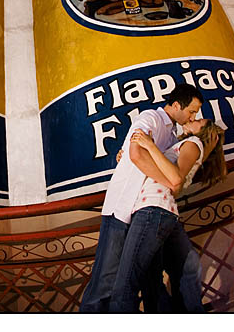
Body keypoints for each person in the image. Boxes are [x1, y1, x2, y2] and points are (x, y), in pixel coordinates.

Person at [79, 83, 203, 312]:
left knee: (142, 279)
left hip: (142, 212)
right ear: (176, 105)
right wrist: (170, 181)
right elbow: (136, 153)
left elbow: (137, 155)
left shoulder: (174, 134)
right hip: (122, 206)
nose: (193, 116)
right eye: (191, 111)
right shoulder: (152, 118)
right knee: (105, 282)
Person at [109, 118, 227, 313]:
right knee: (175, 270)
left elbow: (176, 177)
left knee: (138, 280)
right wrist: (130, 159)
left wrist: (148, 145)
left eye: (199, 120)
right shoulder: (184, 145)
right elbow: (162, 171)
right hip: (161, 210)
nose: (193, 118)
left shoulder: (193, 144)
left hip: (154, 209)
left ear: (205, 131)